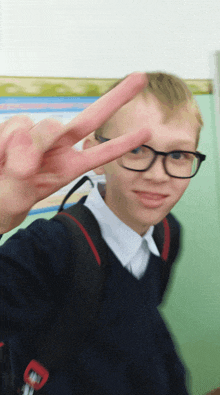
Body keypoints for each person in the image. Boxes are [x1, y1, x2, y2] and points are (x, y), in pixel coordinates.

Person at [0, 71, 207, 394]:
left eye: (178, 155)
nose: (157, 175)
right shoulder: (47, 248)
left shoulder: (167, 233)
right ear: (96, 155)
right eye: (136, 150)